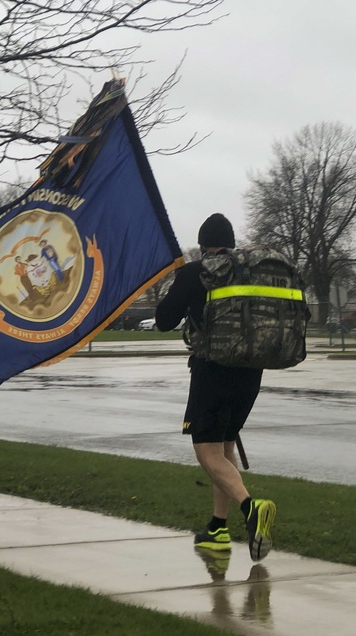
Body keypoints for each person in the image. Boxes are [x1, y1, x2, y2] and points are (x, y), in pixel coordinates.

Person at [155, 213, 276, 561]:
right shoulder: (250, 272)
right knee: (224, 447)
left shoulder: (198, 272)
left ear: (204, 244)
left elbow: (164, 321)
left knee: (206, 451)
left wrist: (179, 279)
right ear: (232, 243)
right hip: (251, 371)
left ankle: (251, 507)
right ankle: (217, 529)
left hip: (212, 371)